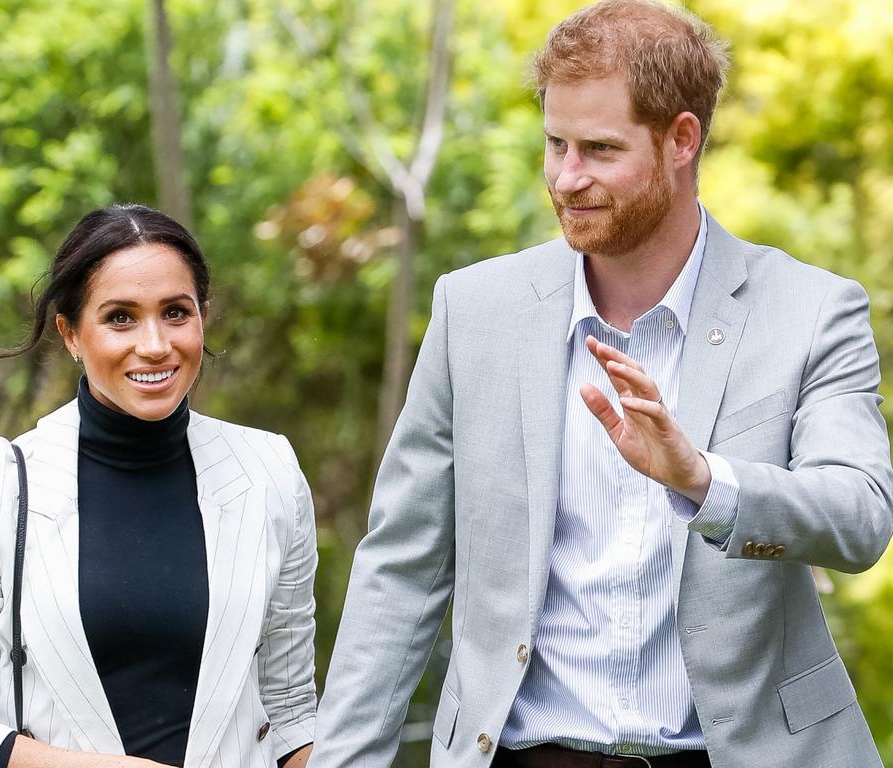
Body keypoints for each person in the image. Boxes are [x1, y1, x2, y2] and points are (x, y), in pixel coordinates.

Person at [308, 1, 893, 767]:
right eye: (555, 143)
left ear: (682, 139)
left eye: (599, 149)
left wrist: (704, 481)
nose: (566, 177)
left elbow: (860, 516)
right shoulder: (474, 309)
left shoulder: (812, 309)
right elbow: (402, 569)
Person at [0, 204, 317, 768]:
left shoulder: (268, 471)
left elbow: (292, 713)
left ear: (204, 317)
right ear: (70, 333)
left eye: (175, 312)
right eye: (120, 317)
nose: (154, 344)